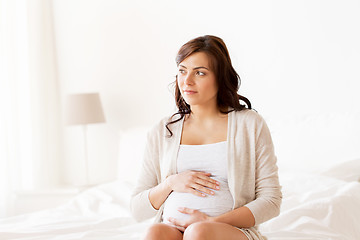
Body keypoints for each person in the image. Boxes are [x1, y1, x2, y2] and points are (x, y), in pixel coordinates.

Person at [130, 35, 282, 240]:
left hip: (230, 232)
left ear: (220, 78)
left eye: (200, 73)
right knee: (155, 232)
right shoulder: (164, 130)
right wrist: (170, 183)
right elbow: (137, 209)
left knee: (198, 232)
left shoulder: (249, 124)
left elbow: (271, 201)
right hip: (173, 230)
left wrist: (211, 223)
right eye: (182, 71)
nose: (187, 81)